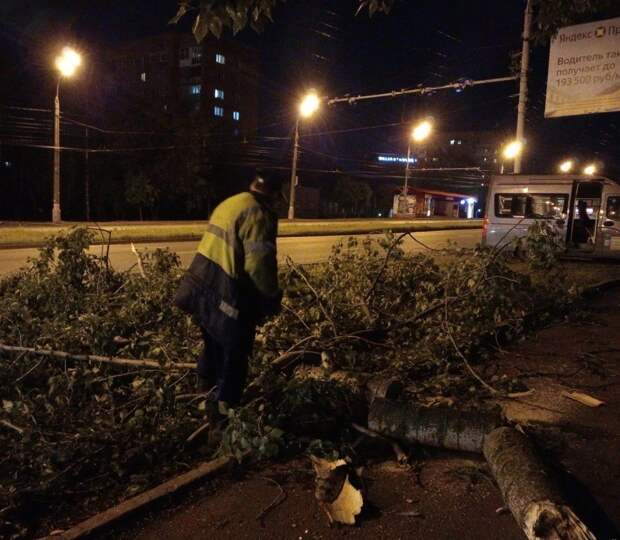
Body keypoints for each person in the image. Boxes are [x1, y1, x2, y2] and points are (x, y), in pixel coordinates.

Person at [174, 170, 283, 421]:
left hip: (200, 282)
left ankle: (204, 394)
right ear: (275, 195)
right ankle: (223, 415)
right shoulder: (259, 214)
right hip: (225, 289)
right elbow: (259, 265)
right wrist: (271, 298)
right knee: (236, 352)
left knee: (212, 342)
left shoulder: (231, 202)